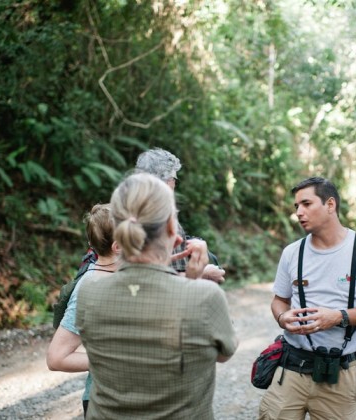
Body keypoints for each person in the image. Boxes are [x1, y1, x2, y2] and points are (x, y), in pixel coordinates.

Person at [76, 173, 238, 419]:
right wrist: (193, 282)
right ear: (173, 229)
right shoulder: (205, 296)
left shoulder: (89, 289)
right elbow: (224, 353)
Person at [258, 177, 356, 420]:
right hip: (290, 369)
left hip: (339, 375)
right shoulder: (292, 253)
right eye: (296, 206)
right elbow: (279, 300)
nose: (299, 212)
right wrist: (282, 317)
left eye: (306, 204)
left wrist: (338, 317)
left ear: (330, 204)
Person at [46, 203, 120, 417]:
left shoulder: (129, 275)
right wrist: (113, 360)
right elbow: (57, 357)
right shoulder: (88, 288)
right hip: (105, 404)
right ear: (118, 247)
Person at [134, 147, 226, 283]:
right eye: (174, 178)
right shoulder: (162, 216)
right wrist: (203, 274)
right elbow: (164, 278)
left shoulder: (124, 209)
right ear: (166, 180)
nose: (174, 184)